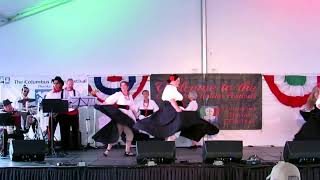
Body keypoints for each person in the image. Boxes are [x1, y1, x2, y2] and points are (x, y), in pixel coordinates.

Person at [134, 74, 219, 142]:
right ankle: (168, 149)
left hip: (174, 111)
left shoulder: (172, 88)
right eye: (178, 80)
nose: (179, 82)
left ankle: (168, 149)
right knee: (176, 129)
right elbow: (171, 100)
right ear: (173, 80)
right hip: (173, 111)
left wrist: (179, 109)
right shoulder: (170, 88)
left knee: (175, 130)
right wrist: (178, 109)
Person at [92, 81, 137, 157]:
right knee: (116, 134)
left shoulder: (130, 96)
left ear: (127, 87)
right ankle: (107, 151)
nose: (122, 87)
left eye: (124, 86)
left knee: (130, 134)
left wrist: (136, 117)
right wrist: (102, 106)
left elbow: (132, 108)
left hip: (128, 118)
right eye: (121, 86)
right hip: (120, 117)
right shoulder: (118, 94)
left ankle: (127, 151)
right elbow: (108, 101)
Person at [45, 76, 74, 151]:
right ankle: (50, 147)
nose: (55, 85)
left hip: (63, 114)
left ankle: (65, 147)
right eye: (54, 83)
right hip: (53, 114)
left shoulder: (65, 92)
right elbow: (46, 104)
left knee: (65, 131)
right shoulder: (50, 93)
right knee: (51, 131)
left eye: (56, 83)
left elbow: (70, 103)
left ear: (61, 84)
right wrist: (51, 113)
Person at [64, 78, 81, 149]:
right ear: (66, 84)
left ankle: (76, 146)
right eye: (69, 84)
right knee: (65, 130)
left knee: (75, 130)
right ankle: (66, 146)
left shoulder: (76, 92)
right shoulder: (63, 92)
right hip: (65, 113)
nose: (70, 85)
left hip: (74, 113)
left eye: (72, 84)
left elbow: (79, 102)